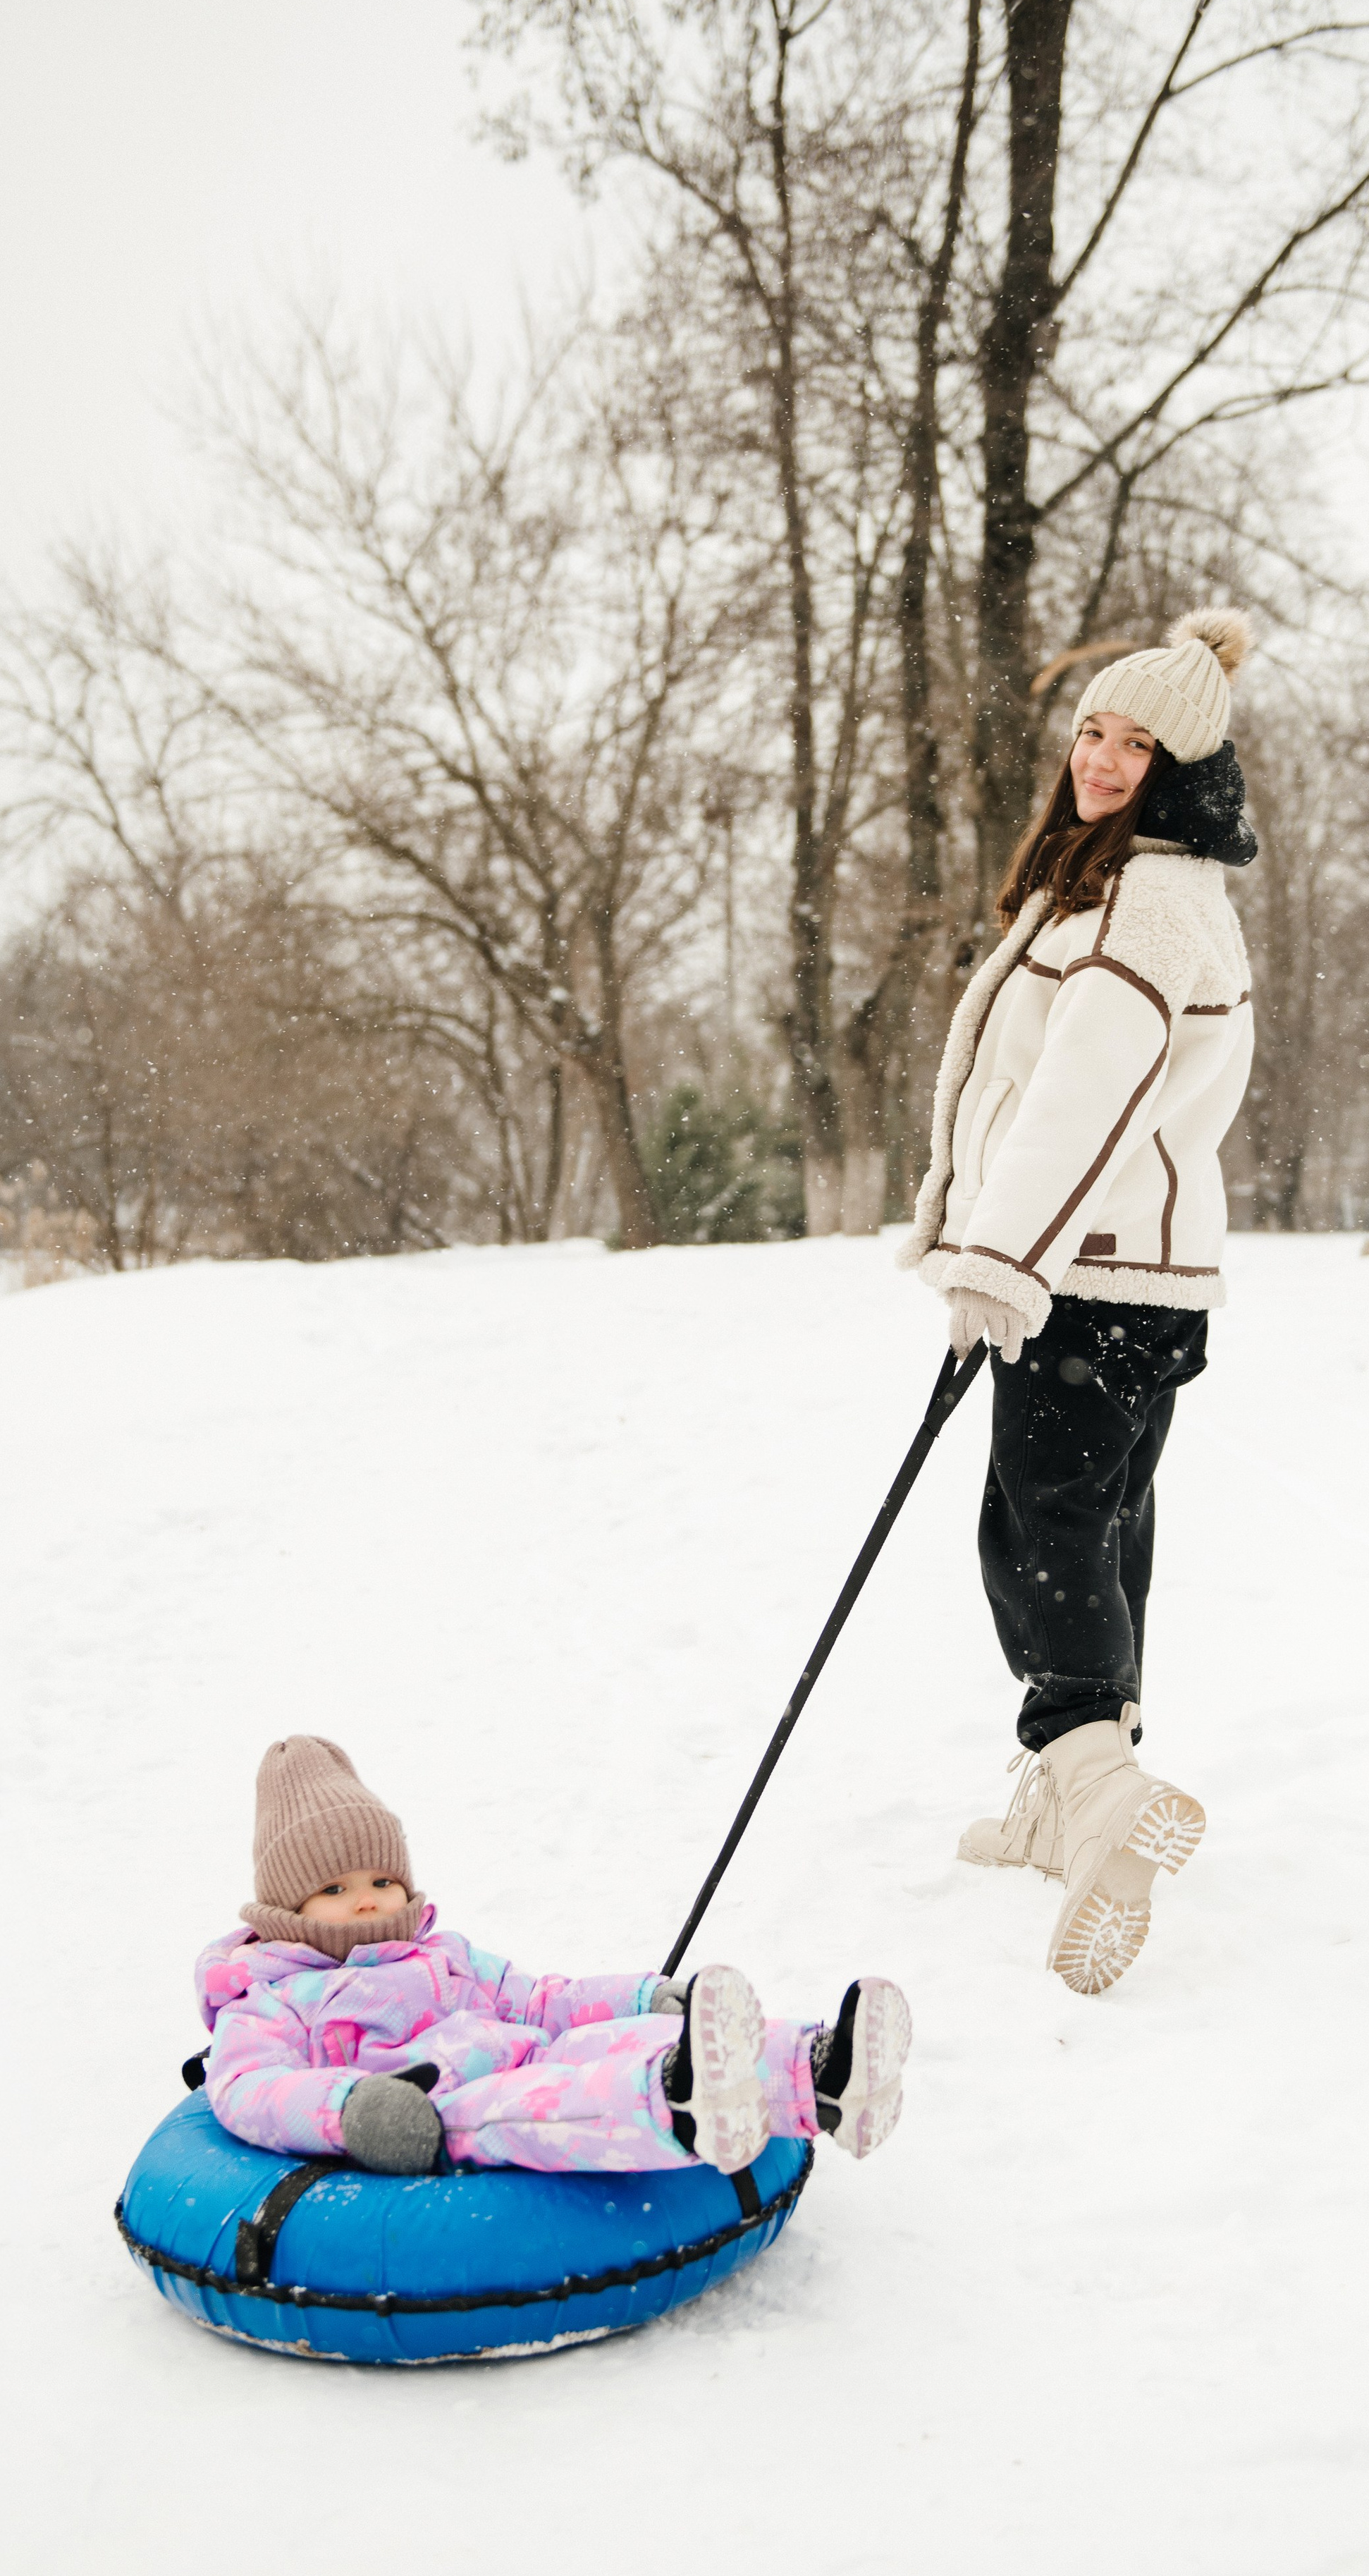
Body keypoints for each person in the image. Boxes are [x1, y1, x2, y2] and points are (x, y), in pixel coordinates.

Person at [901, 609, 1258, 1998]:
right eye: (1090, 732)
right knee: (1096, 1525)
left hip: (1084, 1273)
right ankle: (1070, 1791)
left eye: (1136, 744)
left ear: (1182, 767)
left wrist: (1000, 1259)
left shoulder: (1141, 902)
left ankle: (1094, 1784)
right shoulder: (1151, 888)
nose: (1101, 759)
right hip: (1138, 1277)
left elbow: (1083, 1093)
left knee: (1037, 1526)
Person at [197, 1734, 911, 2178]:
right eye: (335, 1888)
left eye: (383, 1880)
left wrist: (644, 1998)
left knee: (622, 2039)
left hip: (533, 2052)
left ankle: (821, 2073)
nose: (368, 1901)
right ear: (286, 1906)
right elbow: (249, 2088)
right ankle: (682, 2102)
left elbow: (541, 2001)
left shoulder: (442, 1953)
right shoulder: (269, 1998)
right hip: (442, 2110)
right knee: (553, 2101)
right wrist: (351, 2107)